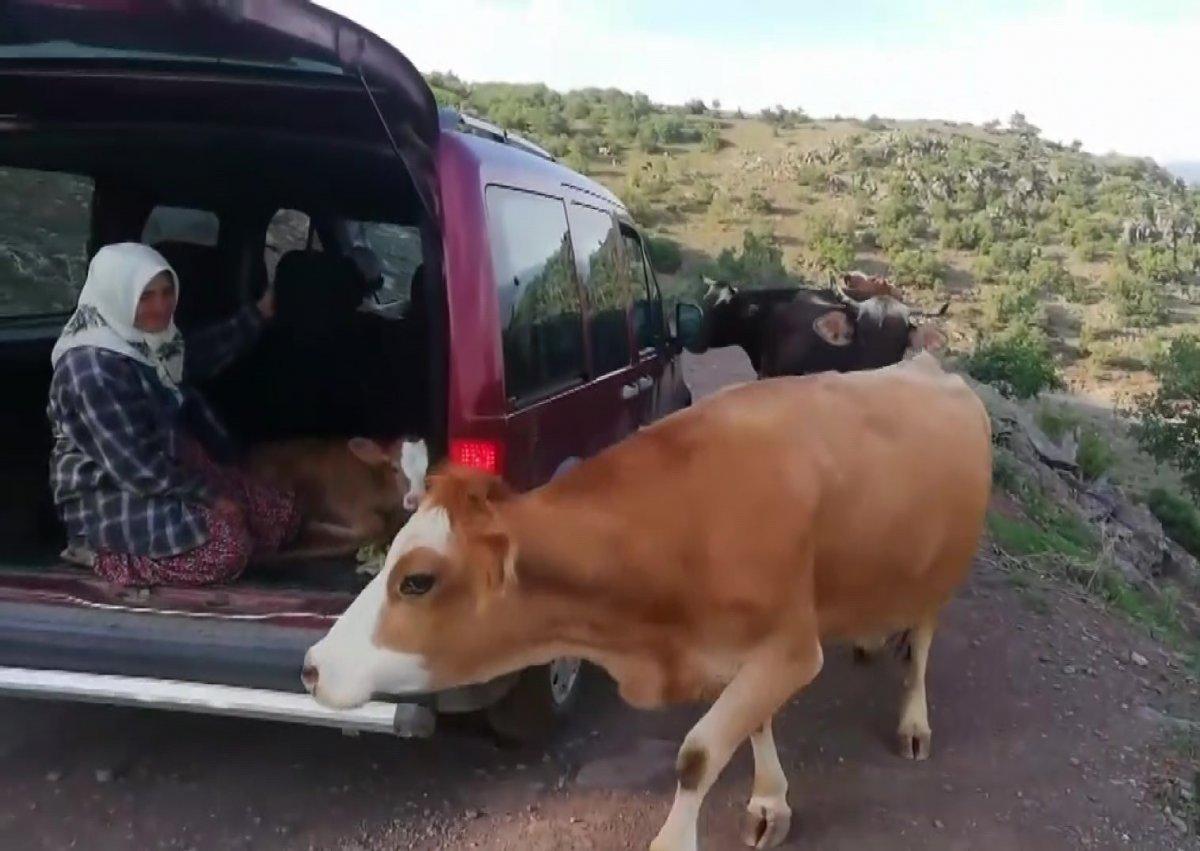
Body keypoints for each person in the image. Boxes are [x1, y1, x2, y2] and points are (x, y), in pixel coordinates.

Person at [47, 242, 300, 586]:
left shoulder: (148, 341)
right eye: (146, 296)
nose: (161, 306)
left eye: (167, 293)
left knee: (279, 516)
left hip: (167, 470)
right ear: (116, 296)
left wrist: (259, 314)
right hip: (108, 495)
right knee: (227, 547)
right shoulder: (91, 370)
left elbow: (196, 355)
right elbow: (136, 468)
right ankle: (100, 554)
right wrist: (211, 496)